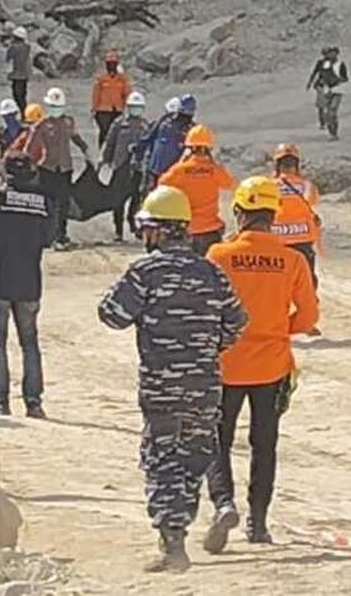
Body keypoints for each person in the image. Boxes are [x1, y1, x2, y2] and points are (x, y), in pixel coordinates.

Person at [97, 186, 247, 573]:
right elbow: (237, 322)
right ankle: (180, 528)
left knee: (163, 460)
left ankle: (172, 544)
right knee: (194, 458)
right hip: (204, 386)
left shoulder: (145, 272)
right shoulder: (211, 272)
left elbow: (112, 314)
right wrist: (207, 347)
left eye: (147, 228)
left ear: (160, 230)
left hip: (162, 386)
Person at [204, 177, 319, 551]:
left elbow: (206, 308)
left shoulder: (219, 255)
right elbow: (308, 317)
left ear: (239, 212)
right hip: (272, 365)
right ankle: (258, 523)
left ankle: (223, 503)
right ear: (274, 215)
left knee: (217, 440)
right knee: (264, 444)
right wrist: (277, 328)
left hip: (226, 364)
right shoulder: (292, 260)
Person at [0, 153, 56, 419]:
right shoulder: (44, 202)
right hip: (30, 281)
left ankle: (0, 399)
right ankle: (33, 402)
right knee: (30, 342)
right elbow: (49, 238)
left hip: (0, 280)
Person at [24, 87, 93, 251]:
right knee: (47, 203)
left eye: (59, 107)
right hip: (47, 169)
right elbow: (30, 147)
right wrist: (27, 164)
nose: (56, 109)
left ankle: (61, 235)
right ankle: (46, 236)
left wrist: (85, 150)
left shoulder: (68, 122)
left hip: (65, 169)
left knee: (63, 204)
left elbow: (76, 137)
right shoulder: (41, 125)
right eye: (53, 107)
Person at [158, 125, 235, 255]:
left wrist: (181, 162)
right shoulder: (214, 170)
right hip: (210, 230)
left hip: (187, 230)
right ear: (209, 148)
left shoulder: (180, 170)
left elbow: (162, 184)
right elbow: (230, 184)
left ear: (189, 148)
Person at [102, 91, 151, 242]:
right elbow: (110, 142)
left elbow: (149, 145)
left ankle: (132, 222)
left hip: (137, 167)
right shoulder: (119, 123)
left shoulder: (145, 125)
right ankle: (118, 231)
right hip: (120, 166)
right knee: (118, 200)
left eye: (138, 107)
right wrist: (105, 159)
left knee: (136, 197)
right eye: (133, 106)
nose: (136, 109)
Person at [271, 143, 322, 284]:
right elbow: (313, 201)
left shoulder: (268, 186)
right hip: (303, 239)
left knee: (279, 282)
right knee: (306, 281)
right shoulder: (307, 186)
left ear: (277, 165)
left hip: (278, 241)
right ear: (297, 164)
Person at [134, 94, 197, 192]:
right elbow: (149, 137)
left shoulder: (191, 129)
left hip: (171, 174)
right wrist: (138, 151)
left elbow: (194, 154)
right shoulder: (165, 120)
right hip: (157, 170)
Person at [91, 49, 132, 148]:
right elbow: (96, 94)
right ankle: (102, 151)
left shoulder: (122, 79)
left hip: (117, 110)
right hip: (103, 110)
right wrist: (94, 109)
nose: (111, 66)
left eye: (113, 63)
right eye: (109, 63)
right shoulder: (101, 78)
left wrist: (126, 107)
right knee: (104, 132)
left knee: (116, 133)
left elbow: (127, 93)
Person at [306, 46, 348, 140]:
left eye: (332, 53)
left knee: (332, 111)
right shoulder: (323, 63)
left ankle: (334, 133)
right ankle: (330, 131)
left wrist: (337, 81)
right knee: (326, 112)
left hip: (337, 90)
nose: (330, 55)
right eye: (328, 53)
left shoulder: (340, 64)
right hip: (325, 89)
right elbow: (319, 73)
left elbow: (345, 78)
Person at [7, 26, 31, 113]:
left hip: (16, 74)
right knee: (23, 95)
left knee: (17, 95)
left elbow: (8, 57)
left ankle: (24, 112)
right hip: (25, 74)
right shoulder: (27, 47)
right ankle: (24, 112)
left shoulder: (14, 48)